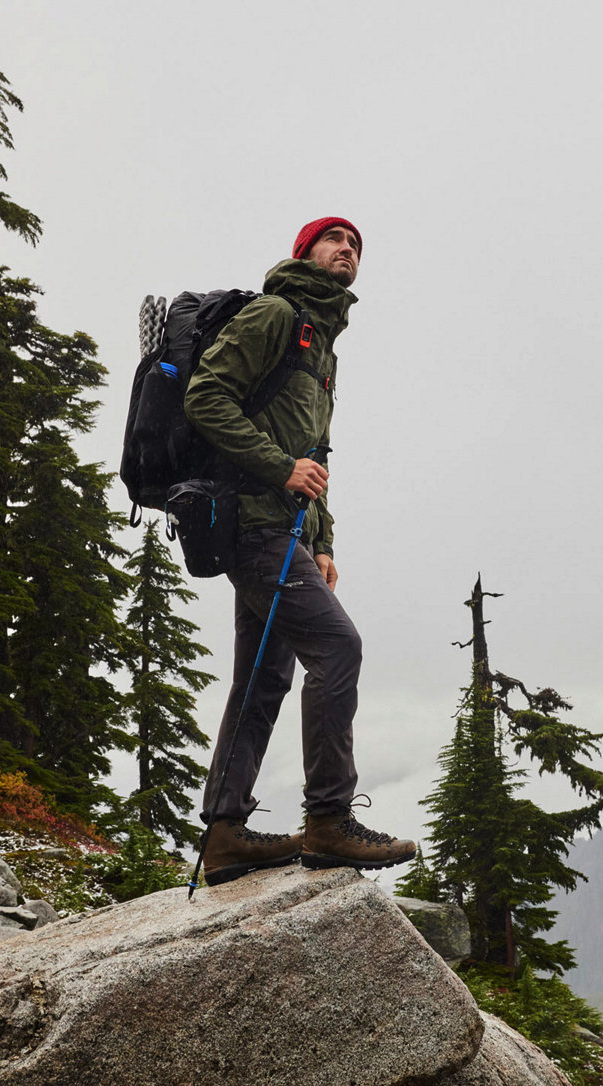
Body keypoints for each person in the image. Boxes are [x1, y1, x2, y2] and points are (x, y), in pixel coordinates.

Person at [184, 218, 415, 885]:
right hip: (253, 524)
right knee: (339, 649)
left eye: (357, 245)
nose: (348, 249)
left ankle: (225, 833)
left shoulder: (321, 345)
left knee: (263, 680)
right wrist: (279, 469)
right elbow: (206, 396)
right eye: (334, 239)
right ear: (304, 253)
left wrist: (321, 542)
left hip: (282, 532)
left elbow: (313, 456)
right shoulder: (276, 314)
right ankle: (329, 821)